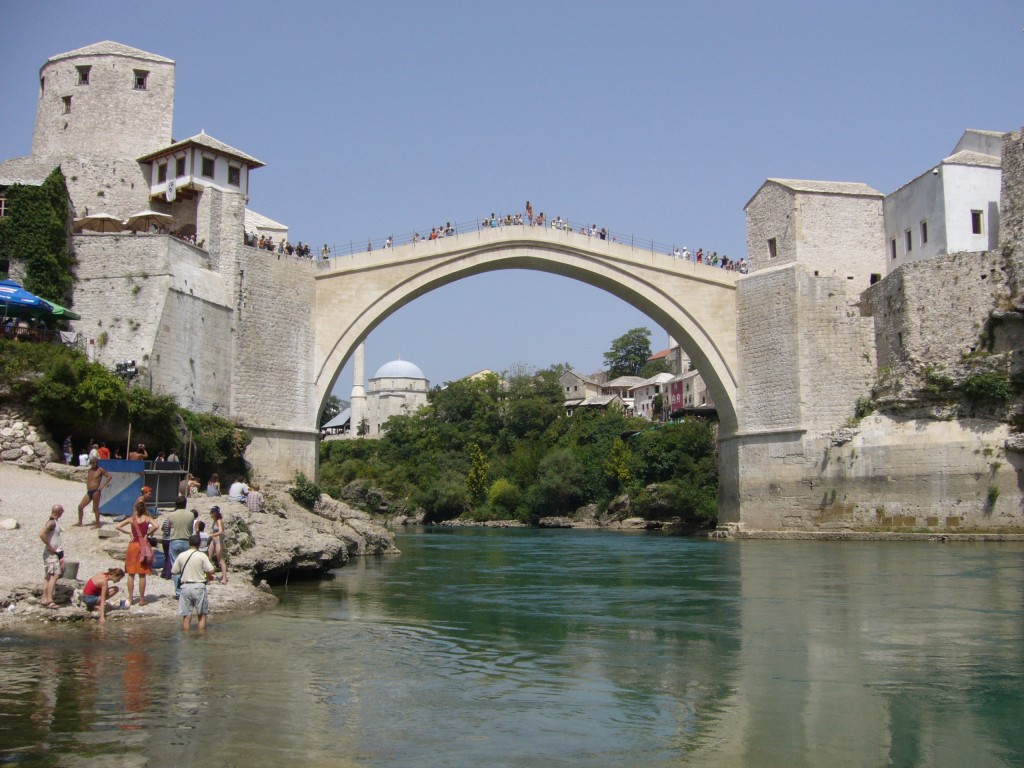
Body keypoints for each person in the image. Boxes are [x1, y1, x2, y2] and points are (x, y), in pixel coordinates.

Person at [115, 500, 157, 606]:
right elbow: (156, 526)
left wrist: (129, 532)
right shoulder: (147, 519)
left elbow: (118, 526)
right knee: (142, 574)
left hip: (133, 546)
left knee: (131, 573)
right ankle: (142, 600)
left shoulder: (131, 519)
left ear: (135, 509)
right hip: (142, 546)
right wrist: (148, 534)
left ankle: (130, 598)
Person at [171, 534, 215, 631]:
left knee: (186, 617)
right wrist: (207, 575)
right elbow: (211, 570)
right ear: (199, 544)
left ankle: (186, 640)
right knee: (202, 615)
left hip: (185, 587)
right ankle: (201, 639)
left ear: (189, 543)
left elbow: (174, 571)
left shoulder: (181, 555)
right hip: (199, 586)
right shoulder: (202, 555)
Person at [165, 497, 195, 597]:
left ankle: (178, 592)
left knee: (176, 567)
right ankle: (187, 589)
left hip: (175, 541)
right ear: (185, 503)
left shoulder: (171, 515)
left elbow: (167, 528)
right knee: (186, 566)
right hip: (187, 541)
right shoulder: (191, 515)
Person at [38, 504, 65, 609]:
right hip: (52, 554)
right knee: (54, 576)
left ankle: (44, 598)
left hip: (53, 553)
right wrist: (50, 546)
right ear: (59, 512)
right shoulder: (52, 522)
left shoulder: (54, 522)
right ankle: (50, 600)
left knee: (48, 576)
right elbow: (41, 534)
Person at [76, 456, 111, 527]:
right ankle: (80, 522)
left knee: (95, 508)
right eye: (94, 463)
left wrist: (103, 485)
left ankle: (97, 524)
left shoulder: (100, 470)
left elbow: (109, 476)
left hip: (96, 491)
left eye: (96, 463)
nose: (95, 464)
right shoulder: (90, 470)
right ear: (91, 463)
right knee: (80, 506)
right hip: (89, 492)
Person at [208, 506, 228, 584]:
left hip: (219, 541)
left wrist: (211, 535)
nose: (211, 514)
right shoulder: (215, 520)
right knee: (208, 558)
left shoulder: (219, 521)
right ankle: (208, 576)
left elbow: (220, 532)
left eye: (212, 512)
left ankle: (224, 578)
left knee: (220, 560)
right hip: (213, 541)